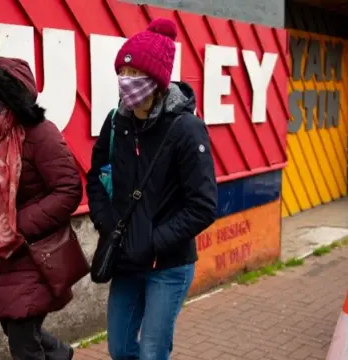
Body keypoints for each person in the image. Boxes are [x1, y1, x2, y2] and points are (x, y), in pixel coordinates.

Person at [86, 19, 218, 360]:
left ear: (157, 81)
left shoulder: (187, 130)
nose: (126, 82)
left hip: (169, 265)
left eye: (135, 73)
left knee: (152, 351)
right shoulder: (117, 120)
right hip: (126, 262)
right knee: (119, 349)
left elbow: (203, 205)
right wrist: (105, 222)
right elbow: (96, 177)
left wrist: (152, 242)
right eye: (122, 72)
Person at [0, 57, 82, 360]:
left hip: (33, 255)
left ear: (7, 95)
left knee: (22, 344)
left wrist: (18, 224)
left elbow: (68, 189)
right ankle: (62, 354)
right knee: (14, 326)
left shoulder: (40, 134)